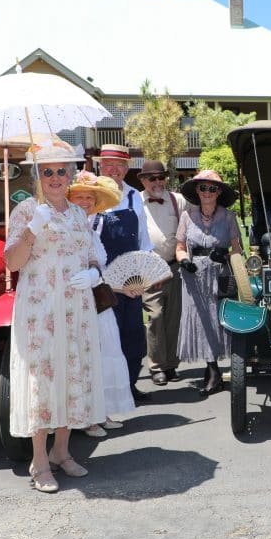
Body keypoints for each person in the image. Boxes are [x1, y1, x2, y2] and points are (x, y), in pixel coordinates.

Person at [3, 140, 106, 494]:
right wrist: (32, 229)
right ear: (37, 175)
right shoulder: (26, 210)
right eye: (47, 170)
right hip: (40, 309)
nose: (56, 176)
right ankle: (39, 460)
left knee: (71, 373)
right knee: (43, 379)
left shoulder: (78, 213)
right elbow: (12, 262)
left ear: (71, 174)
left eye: (62, 170)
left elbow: (91, 254)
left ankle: (62, 451)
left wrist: (94, 273)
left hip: (76, 308)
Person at [67, 171, 137, 438]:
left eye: (90, 197)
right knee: (86, 358)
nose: (85, 202)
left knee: (104, 356)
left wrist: (120, 287)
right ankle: (86, 417)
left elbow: (100, 268)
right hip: (79, 301)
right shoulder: (68, 228)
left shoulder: (90, 229)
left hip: (98, 301)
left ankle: (101, 412)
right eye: (79, 197)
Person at [92, 144, 154, 402]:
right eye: (108, 164)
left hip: (131, 280)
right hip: (101, 281)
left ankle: (129, 386)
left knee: (134, 337)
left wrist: (145, 272)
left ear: (127, 168)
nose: (114, 170)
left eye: (119, 165)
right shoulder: (90, 195)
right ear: (100, 166)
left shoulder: (133, 196)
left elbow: (143, 238)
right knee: (106, 339)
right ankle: (107, 395)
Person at [175, 170, 244, 397]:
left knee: (216, 320)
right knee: (200, 321)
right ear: (197, 190)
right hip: (194, 275)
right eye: (203, 188)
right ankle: (213, 370)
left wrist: (224, 254)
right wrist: (184, 261)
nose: (207, 192)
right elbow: (180, 248)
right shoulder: (187, 216)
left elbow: (238, 250)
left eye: (212, 188)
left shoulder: (228, 217)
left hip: (219, 274)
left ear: (219, 192)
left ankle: (213, 370)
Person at [139, 159, 190, 387]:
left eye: (161, 177)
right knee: (156, 316)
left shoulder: (177, 200)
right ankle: (157, 366)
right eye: (152, 178)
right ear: (143, 180)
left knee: (174, 317)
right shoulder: (136, 201)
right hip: (150, 269)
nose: (158, 182)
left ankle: (170, 364)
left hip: (174, 267)